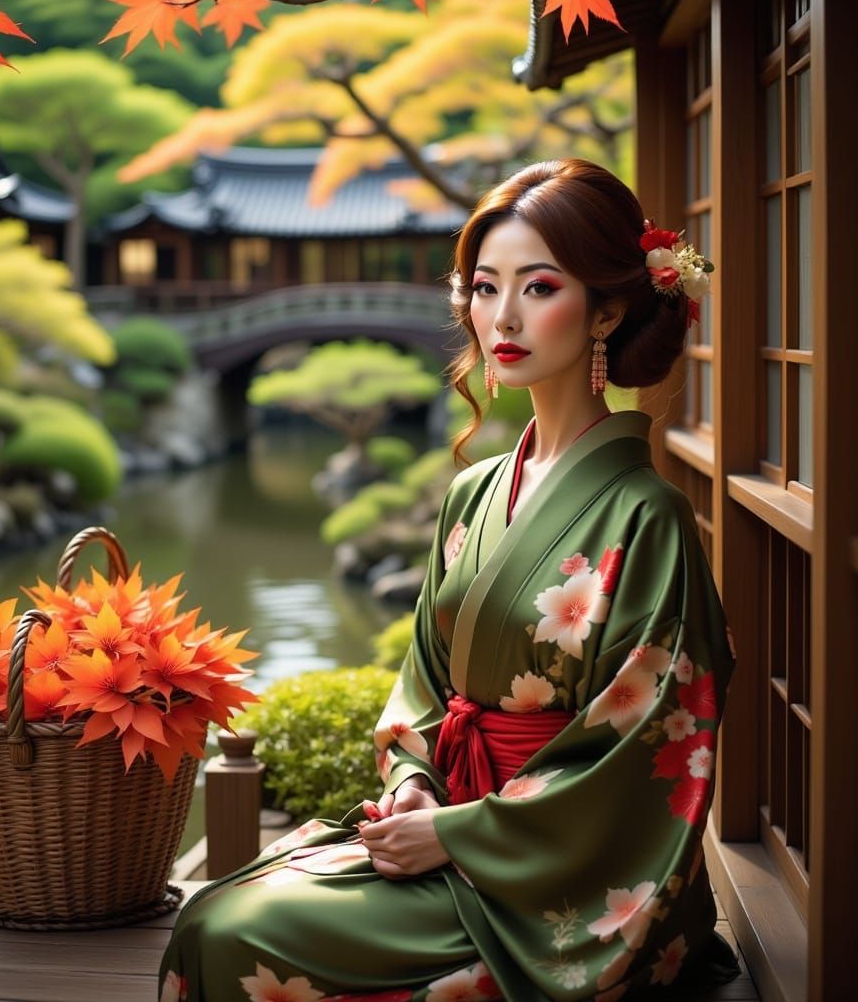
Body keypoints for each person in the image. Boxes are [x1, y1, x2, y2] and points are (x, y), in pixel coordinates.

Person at [158, 158, 740, 1002]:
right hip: (450, 817)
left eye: (539, 288)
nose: (502, 317)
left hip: (556, 877)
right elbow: (425, 678)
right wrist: (413, 783)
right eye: (484, 286)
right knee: (217, 909)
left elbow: (644, 749)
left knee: (230, 934)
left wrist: (459, 836)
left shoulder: (648, 519)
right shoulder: (474, 489)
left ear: (609, 308)